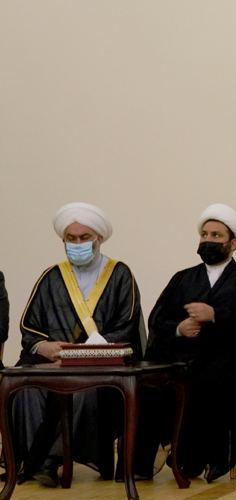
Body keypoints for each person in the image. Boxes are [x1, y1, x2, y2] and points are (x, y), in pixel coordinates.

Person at [14, 203, 144, 485]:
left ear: (99, 238)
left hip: (98, 363)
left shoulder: (120, 274)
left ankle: (48, 461)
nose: (77, 244)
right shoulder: (51, 276)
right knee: (27, 388)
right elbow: (29, 326)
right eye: (71, 239)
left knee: (81, 389)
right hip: (52, 362)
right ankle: (32, 461)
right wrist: (43, 347)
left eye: (84, 237)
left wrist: (87, 350)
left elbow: (127, 325)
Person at [142, 204, 236, 482]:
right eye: (205, 234)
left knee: (209, 381)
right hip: (180, 361)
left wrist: (215, 316)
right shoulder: (182, 278)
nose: (208, 240)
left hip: (229, 365)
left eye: (216, 236)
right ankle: (150, 459)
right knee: (149, 385)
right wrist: (179, 328)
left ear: (232, 243)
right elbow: (157, 320)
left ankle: (202, 459)